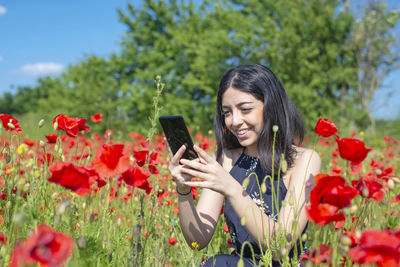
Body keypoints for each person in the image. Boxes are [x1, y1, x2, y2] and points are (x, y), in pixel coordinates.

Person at [165, 63, 321, 266]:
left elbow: (280, 247)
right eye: (227, 112)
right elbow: (197, 241)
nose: (234, 121)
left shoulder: (304, 160)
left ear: (271, 106)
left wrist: (231, 187)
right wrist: (183, 189)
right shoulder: (225, 159)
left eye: (245, 109)